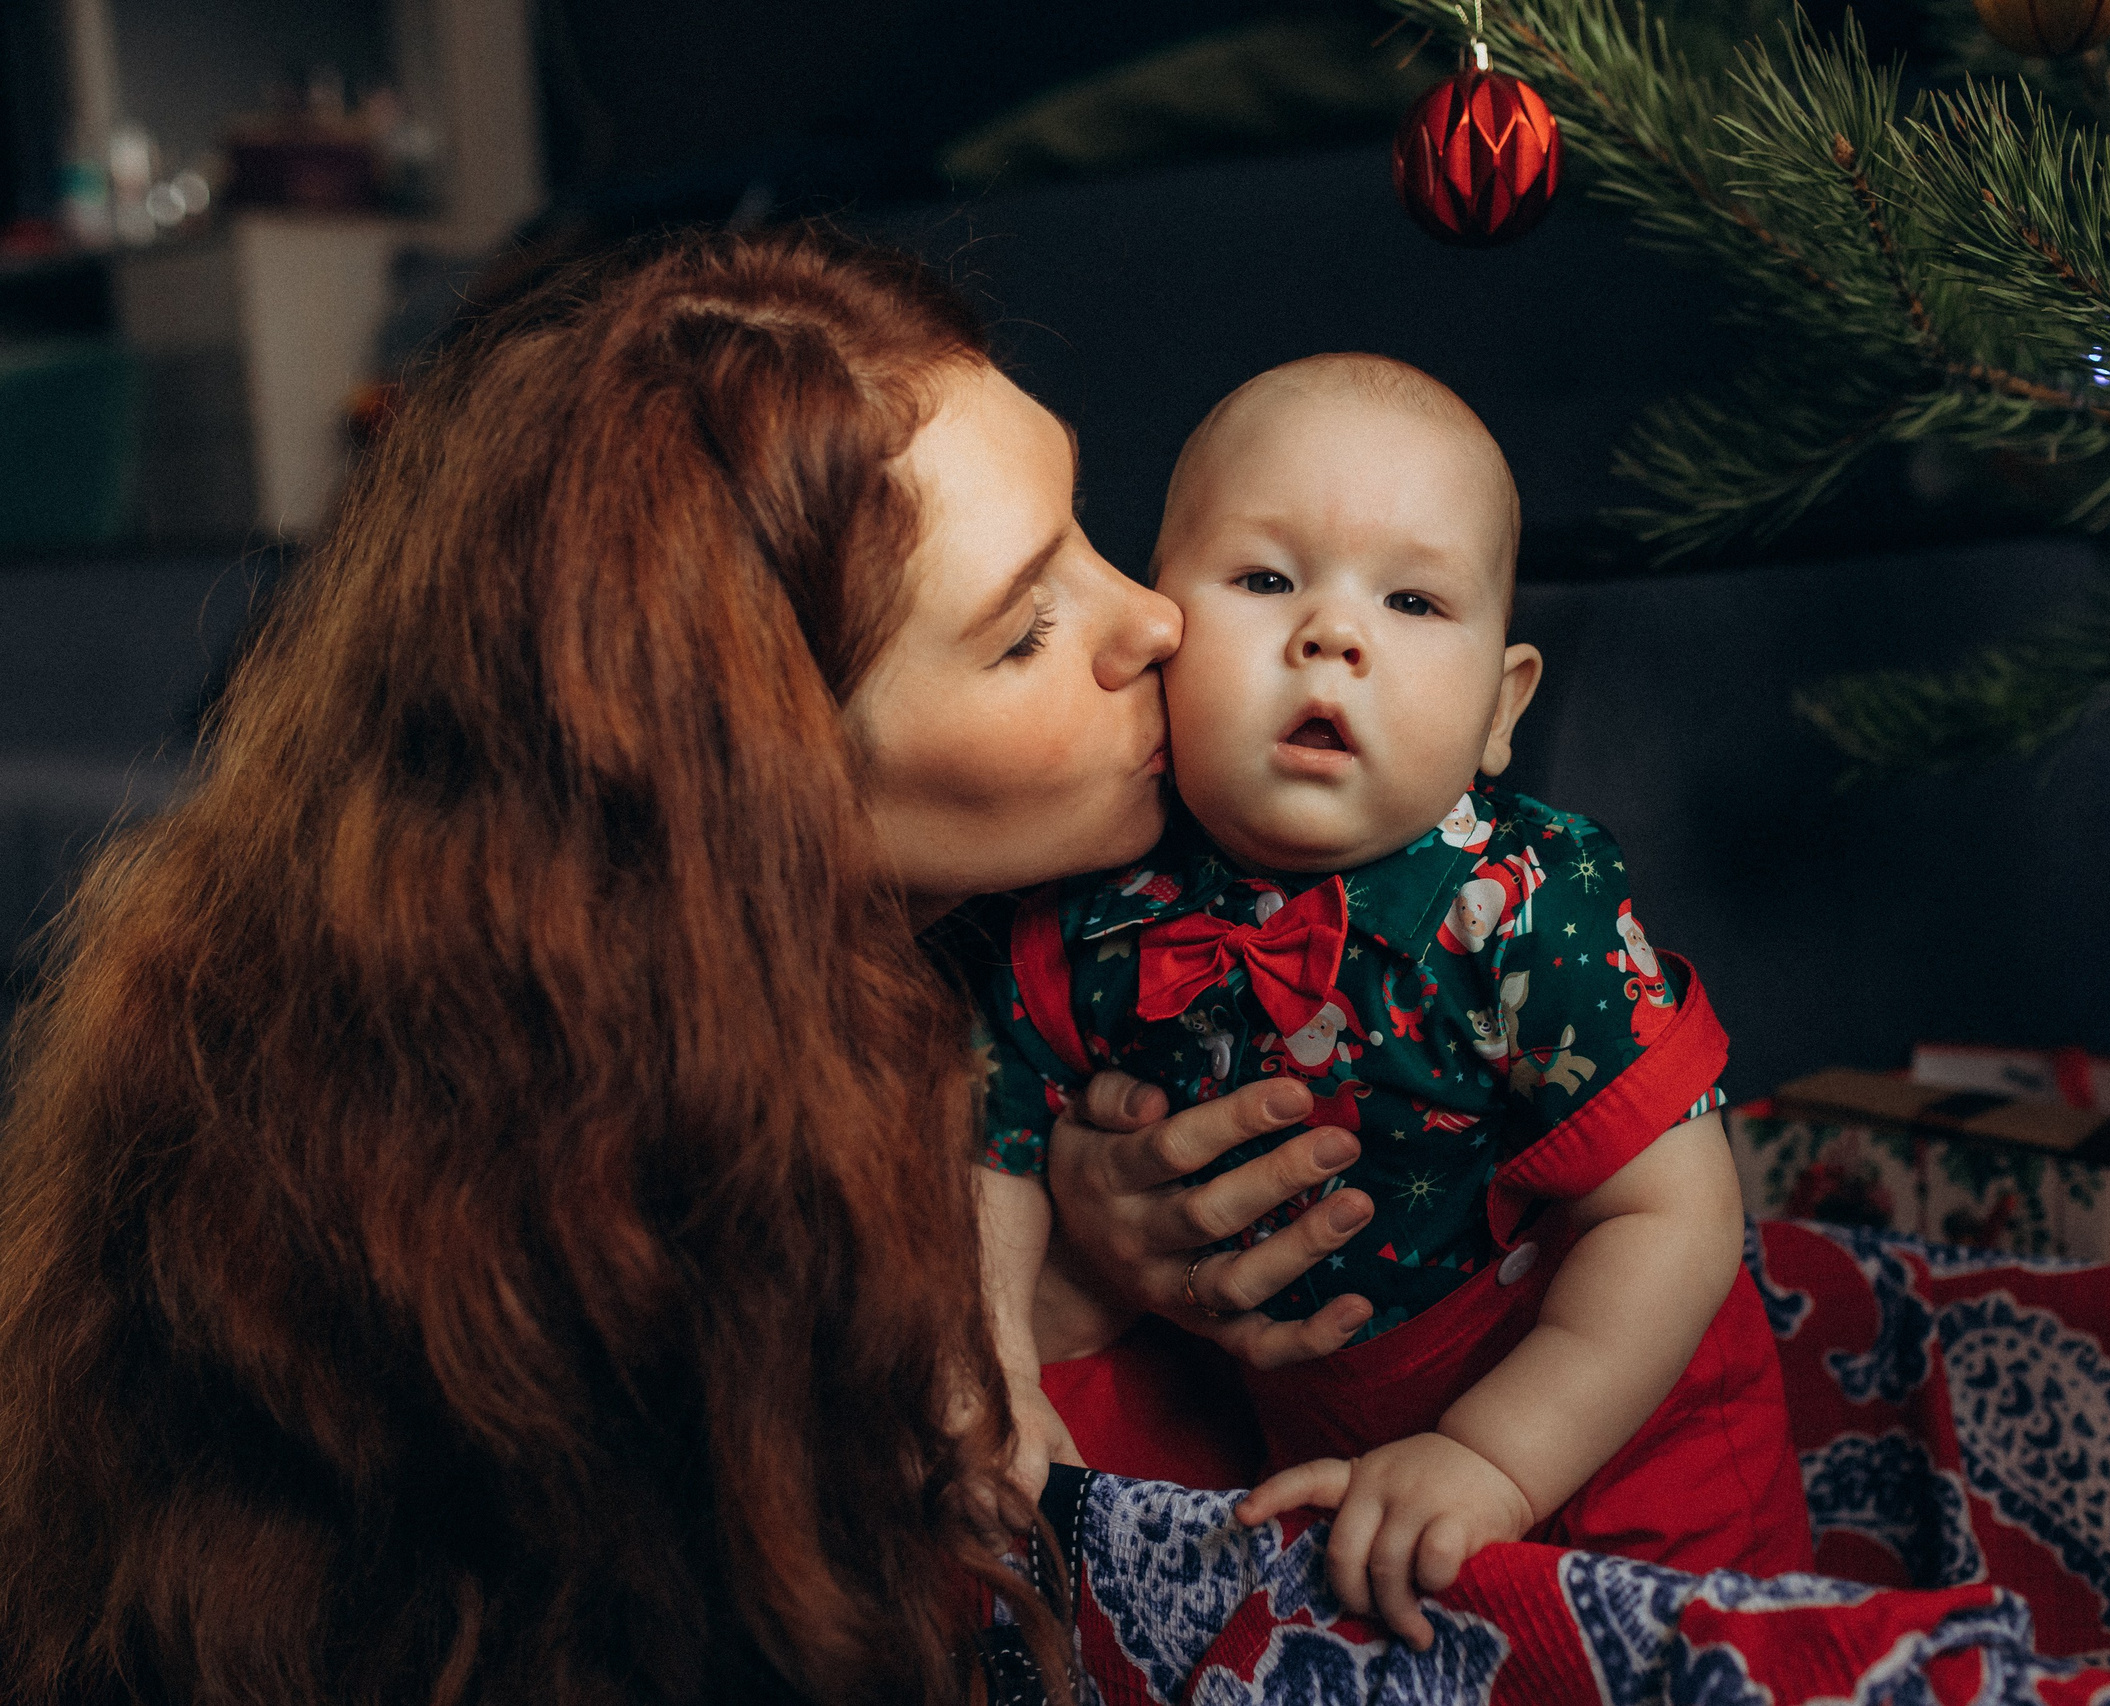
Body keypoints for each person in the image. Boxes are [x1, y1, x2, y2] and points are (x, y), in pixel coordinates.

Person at [0, 226, 1373, 1706]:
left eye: (1086, 526)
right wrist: (993, 1320)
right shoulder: (553, 1247)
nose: (1156, 621)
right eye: (1026, 627)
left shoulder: (1074, 937)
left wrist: (1043, 1281)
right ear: (763, 795)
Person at [966, 356, 1804, 1647]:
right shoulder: (1098, 904)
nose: (1332, 634)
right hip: (1310, 1412)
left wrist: (1493, 1459)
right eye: (1264, 579)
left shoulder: (1529, 907)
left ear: (1500, 709)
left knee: (1676, 1652)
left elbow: (1676, 1214)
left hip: (1614, 1408)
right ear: (1159, 631)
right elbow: (996, 1132)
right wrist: (1004, 1366)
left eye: (1413, 600)